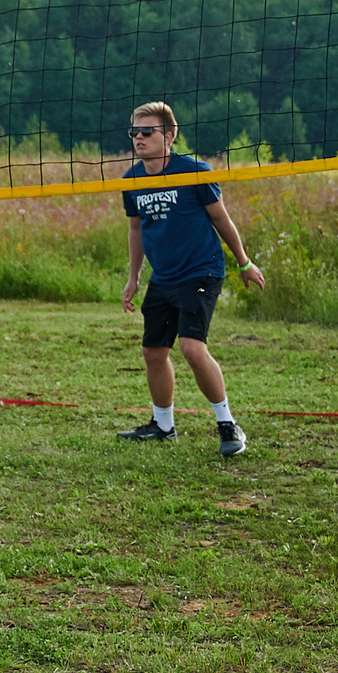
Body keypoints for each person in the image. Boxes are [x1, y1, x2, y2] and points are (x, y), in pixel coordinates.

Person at [118, 101, 265, 456]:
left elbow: (221, 219)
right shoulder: (132, 180)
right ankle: (163, 426)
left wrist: (244, 263)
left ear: (168, 136)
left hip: (202, 270)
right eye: (134, 132)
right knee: (153, 351)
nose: (139, 138)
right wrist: (133, 276)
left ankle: (228, 425)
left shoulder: (194, 171)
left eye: (147, 131)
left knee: (191, 348)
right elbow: (137, 229)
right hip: (164, 276)